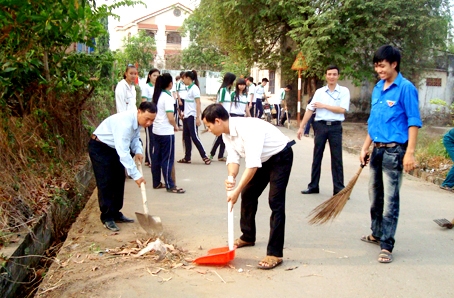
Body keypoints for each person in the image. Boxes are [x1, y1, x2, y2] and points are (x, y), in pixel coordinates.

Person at [202, 103, 295, 270]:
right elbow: (233, 159)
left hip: (280, 157)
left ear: (217, 121)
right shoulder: (226, 133)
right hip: (263, 159)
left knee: (275, 201)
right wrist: (231, 178)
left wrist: (236, 191)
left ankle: (275, 253)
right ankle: (248, 236)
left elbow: (252, 165)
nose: (208, 130)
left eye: (208, 126)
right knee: (249, 195)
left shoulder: (248, 130)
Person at [359, 45, 422, 264]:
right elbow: (374, 120)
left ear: (394, 64)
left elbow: (413, 121)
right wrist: (365, 146)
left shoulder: (405, 88)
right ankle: (376, 233)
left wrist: (410, 153)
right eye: (377, 66)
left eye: (382, 66)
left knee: (390, 200)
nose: (379, 70)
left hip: (395, 151)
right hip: (376, 149)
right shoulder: (378, 88)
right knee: (374, 196)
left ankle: (387, 244)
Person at [88, 102, 157, 232]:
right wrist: (136, 175)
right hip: (100, 147)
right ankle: (107, 217)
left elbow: (135, 137)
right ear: (139, 112)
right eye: (147, 119)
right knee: (106, 181)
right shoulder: (124, 124)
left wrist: (138, 151)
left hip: (114, 148)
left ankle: (116, 212)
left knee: (119, 179)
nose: (149, 123)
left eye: (152, 120)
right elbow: (123, 152)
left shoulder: (137, 122)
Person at [297, 65, 351, 196]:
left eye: (334, 74)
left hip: (335, 127)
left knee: (337, 158)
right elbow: (310, 109)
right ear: (326, 76)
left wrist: (324, 106)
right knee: (317, 156)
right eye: (329, 74)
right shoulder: (319, 92)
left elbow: (342, 109)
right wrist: (302, 126)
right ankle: (313, 186)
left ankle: (339, 189)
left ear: (338, 76)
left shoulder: (343, 91)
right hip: (320, 126)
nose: (331, 76)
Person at [151, 74, 185, 194]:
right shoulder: (167, 97)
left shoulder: (157, 95)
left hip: (156, 130)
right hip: (166, 131)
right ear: (170, 84)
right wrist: (175, 126)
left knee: (157, 157)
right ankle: (170, 185)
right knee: (167, 158)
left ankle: (156, 182)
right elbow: (170, 116)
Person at [177, 70, 211, 165]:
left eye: (184, 78)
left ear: (188, 78)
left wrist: (197, 117)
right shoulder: (188, 88)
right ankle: (187, 157)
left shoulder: (194, 88)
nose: (183, 80)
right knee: (186, 137)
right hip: (187, 116)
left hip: (192, 116)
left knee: (194, 136)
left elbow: (198, 103)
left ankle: (204, 156)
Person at [210, 72, 236, 162]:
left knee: (223, 137)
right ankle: (212, 154)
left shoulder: (228, 90)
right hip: (222, 117)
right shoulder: (223, 90)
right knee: (220, 137)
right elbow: (220, 104)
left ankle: (219, 155)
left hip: (226, 116)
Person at [141, 68, 160, 167]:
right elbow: (144, 102)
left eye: (157, 76)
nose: (156, 77)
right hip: (148, 116)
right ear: (149, 76)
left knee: (155, 138)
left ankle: (148, 159)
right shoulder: (146, 87)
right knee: (150, 138)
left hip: (156, 116)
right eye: (154, 75)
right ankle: (150, 160)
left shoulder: (158, 88)